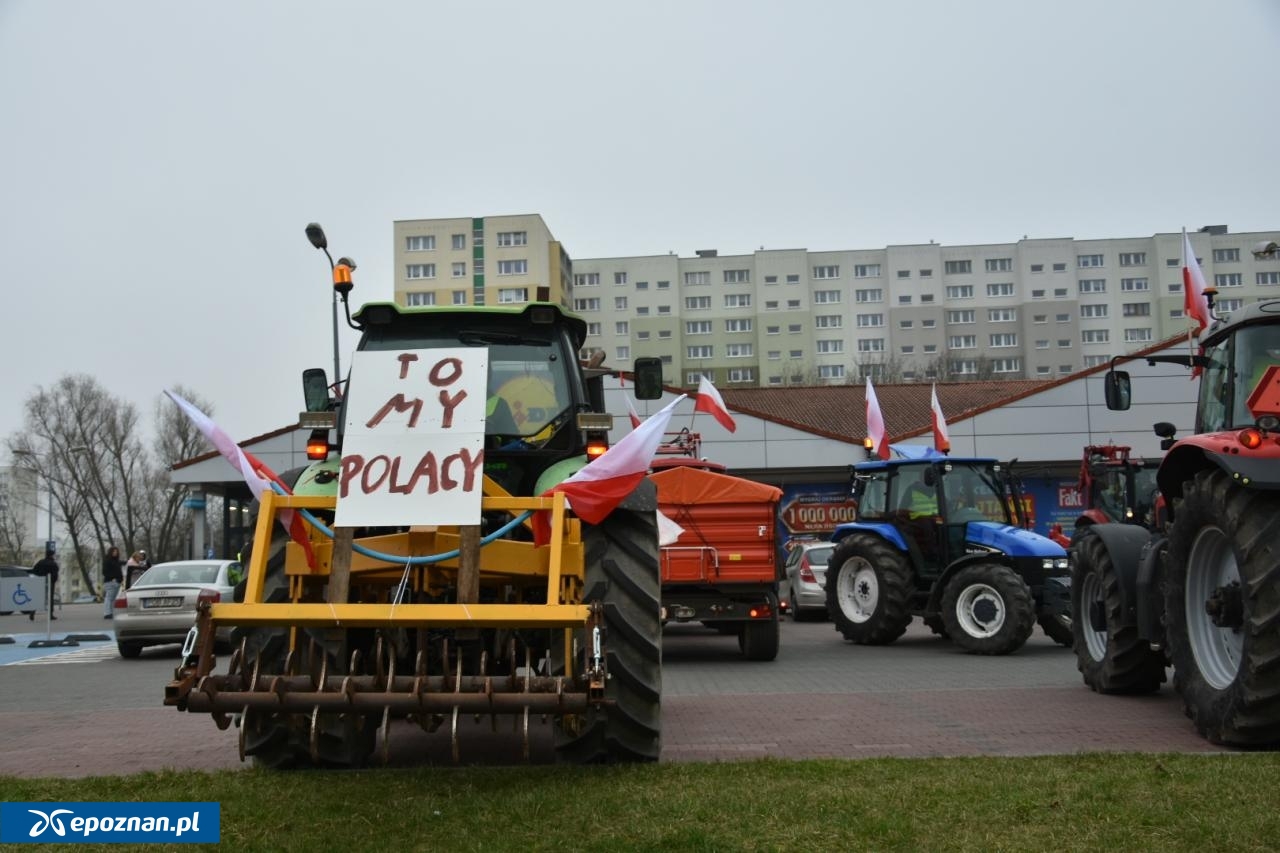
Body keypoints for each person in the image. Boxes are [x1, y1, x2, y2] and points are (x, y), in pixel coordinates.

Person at [30, 548, 60, 621]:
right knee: (50, 599)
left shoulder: (41, 562)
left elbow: (34, 570)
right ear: (52, 555)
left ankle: (32, 612)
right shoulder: (53, 563)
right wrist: (53, 581)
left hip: (41, 582)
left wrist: (40, 576)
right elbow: (55, 574)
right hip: (50, 583)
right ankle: (50, 615)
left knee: (38, 598)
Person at [102, 546, 124, 618]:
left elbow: (123, 563)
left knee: (113, 598)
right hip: (110, 582)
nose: (115, 553)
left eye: (116, 551)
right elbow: (104, 572)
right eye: (114, 551)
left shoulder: (116, 561)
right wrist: (113, 578)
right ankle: (107, 613)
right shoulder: (107, 560)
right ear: (110, 552)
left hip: (117, 582)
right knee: (109, 598)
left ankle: (110, 612)